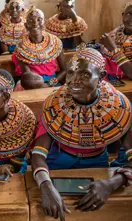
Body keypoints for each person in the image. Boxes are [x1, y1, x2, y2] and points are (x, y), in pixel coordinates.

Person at [31, 46, 132, 220]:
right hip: (58, 160)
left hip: (97, 161)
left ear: (101, 77)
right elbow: (38, 154)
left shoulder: (118, 107)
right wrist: (46, 185)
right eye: (70, 73)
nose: (74, 81)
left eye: (85, 74)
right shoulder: (54, 105)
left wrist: (111, 183)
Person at [12, 6, 66, 90]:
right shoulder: (21, 47)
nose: (35, 23)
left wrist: (49, 84)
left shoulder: (56, 43)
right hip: (30, 83)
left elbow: (64, 70)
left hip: (52, 81)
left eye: (39, 20)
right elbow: (28, 76)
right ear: (26, 25)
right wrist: (41, 86)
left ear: (44, 23)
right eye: (30, 21)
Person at [100, 1, 132, 80]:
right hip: (111, 78)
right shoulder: (116, 32)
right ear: (123, 15)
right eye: (129, 14)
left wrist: (114, 49)